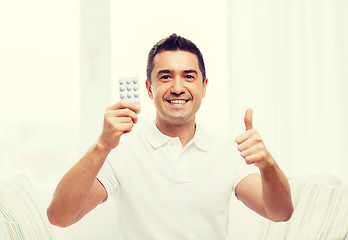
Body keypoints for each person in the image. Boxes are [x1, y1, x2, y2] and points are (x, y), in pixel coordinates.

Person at [47, 34, 293, 239]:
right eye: (165, 76)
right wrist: (102, 145)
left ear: (204, 86)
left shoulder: (228, 152)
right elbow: (60, 217)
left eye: (188, 76)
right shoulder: (120, 151)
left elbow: (280, 213)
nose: (177, 87)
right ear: (148, 88)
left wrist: (267, 164)